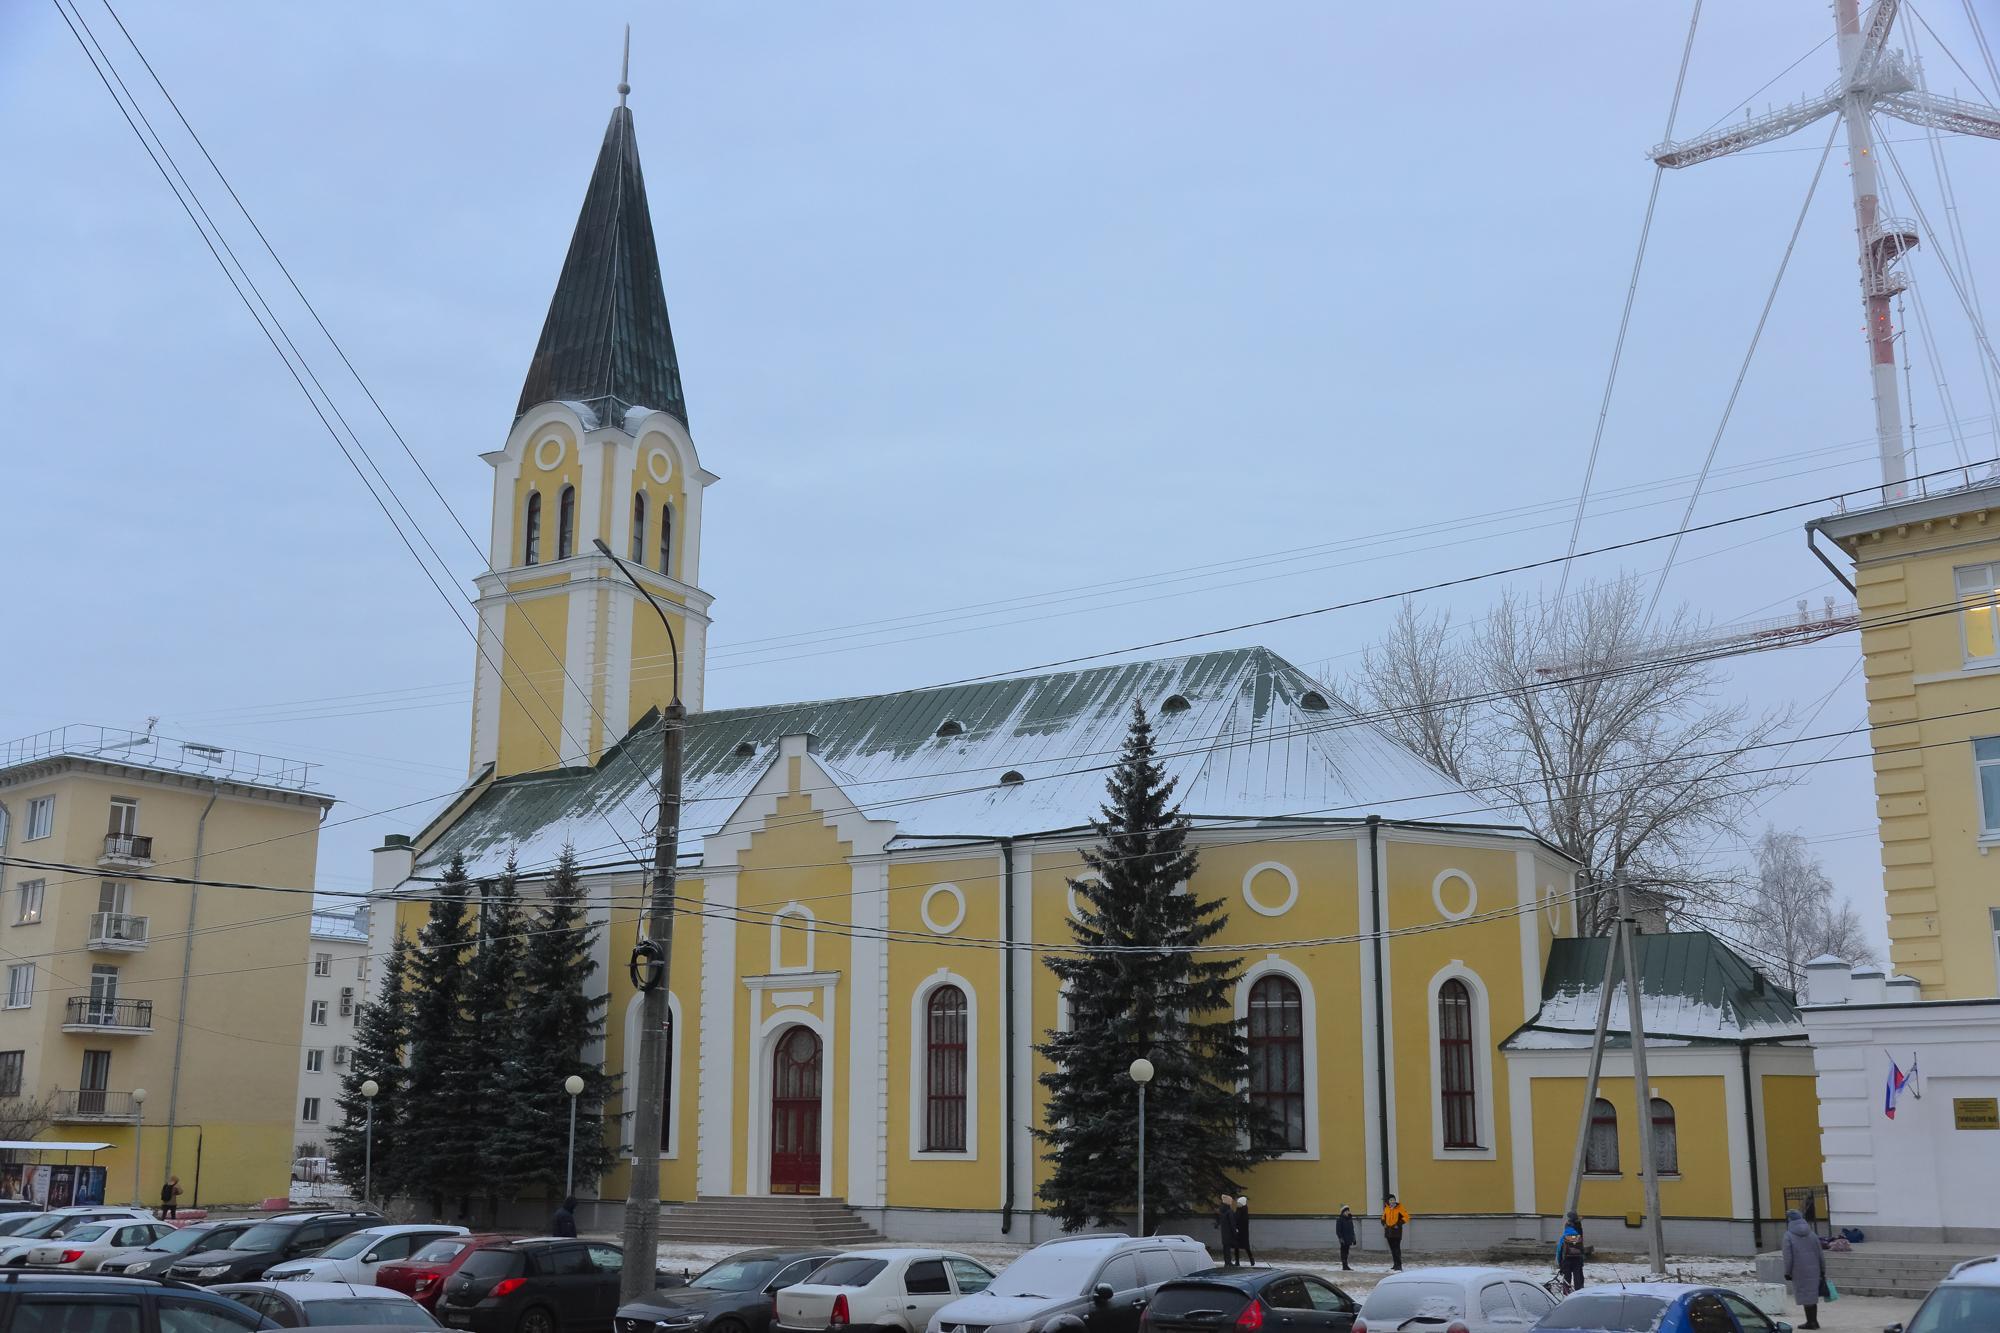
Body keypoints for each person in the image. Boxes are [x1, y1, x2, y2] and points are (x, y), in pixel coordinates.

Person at [1782, 1208, 1824, 1330]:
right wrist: (1822, 1269)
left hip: (1799, 1271)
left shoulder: (1788, 1236)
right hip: (1814, 1270)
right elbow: (1820, 1254)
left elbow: (1788, 1257)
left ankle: (1810, 1322)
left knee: (1806, 1296)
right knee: (1812, 1296)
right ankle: (1813, 1321)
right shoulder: (1812, 1234)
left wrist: (1787, 1272)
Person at [1556, 1212, 1586, 1293]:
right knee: (1577, 1278)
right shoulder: (1578, 1236)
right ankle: (1579, 1293)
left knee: (1567, 1278)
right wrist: (1582, 1261)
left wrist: (1560, 1263)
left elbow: (1559, 1251)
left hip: (1567, 1261)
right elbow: (1581, 1249)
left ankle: (1566, 1293)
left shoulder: (1564, 1238)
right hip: (1577, 1260)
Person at [1381, 1194, 1409, 1272]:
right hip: (1388, 1231)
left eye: (1393, 1199)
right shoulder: (1386, 1208)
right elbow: (1383, 1218)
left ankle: (1399, 1265)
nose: (1392, 1201)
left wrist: (1398, 1224)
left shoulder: (1399, 1208)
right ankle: (1395, 1264)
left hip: (1396, 1231)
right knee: (1392, 1249)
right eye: (1391, 1200)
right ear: (1388, 1201)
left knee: (1396, 1248)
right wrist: (1384, 1224)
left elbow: (1406, 1217)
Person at [1215, 1193, 1237, 1266]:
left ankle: (1227, 1262)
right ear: (1228, 1202)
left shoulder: (1221, 1211)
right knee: (1228, 1248)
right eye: (1231, 1201)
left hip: (1224, 1232)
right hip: (1229, 1232)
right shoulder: (1229, 1211)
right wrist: (1235, 1232)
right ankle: (1229, 1262)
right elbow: (1232, 1223)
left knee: (1225, 1247)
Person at [1233, 1196, 1255, 1268]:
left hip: (1242, 1231)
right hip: (1239, 1231)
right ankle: (1237, 1261)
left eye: (1239, 1203)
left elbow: (1240, 1220)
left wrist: (1238, 1228)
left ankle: (1251, 1259)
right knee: (1237, 1246)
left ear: (1242, 1203)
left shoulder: (1243, 1210)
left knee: (1245, 1246)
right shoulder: (1240, 1210)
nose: (1237, 1204)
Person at [1334, 1206, 1357, 1270]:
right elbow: (1338, 1231)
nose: (1348, 1212)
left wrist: (1354, 1238)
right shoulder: (1340, 1219)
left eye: (1348, 1211)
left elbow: (1352, 1230)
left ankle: (1346, 1265)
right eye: (1346, 1211)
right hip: (1343, 1240)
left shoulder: (1349, 1219)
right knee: (1343, 1252)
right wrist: (1341, 1239)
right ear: (1343, 1212)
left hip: (1349, 1239)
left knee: (1347, 1252)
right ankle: (1344, 1266)